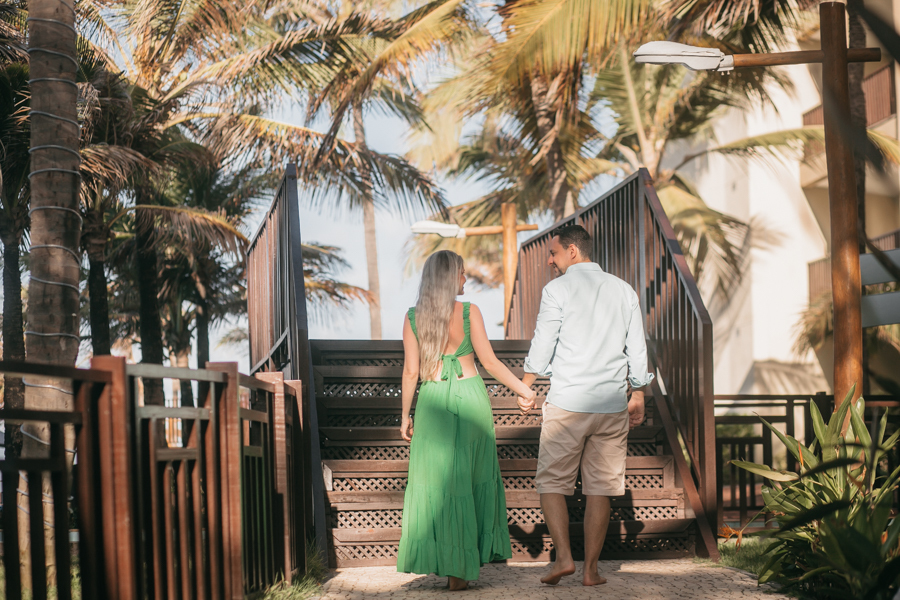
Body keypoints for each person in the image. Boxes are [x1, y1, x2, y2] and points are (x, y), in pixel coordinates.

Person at [517, 224, 654, 587]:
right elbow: (636, 348)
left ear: (572, 252)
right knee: (601, 488)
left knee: (551, 483)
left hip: (568, 403)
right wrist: (638, 392)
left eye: (554, 253)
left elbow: (544, 340)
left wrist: (526, 386)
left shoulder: (557, 289)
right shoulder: (624, 290)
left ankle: (564, 558)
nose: (549, 261)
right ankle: (591, 571)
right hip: (611, 404)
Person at [396, 250, 537, 591]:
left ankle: (450, 566)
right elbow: (489, 362)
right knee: (470, 480)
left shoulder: (413, 316)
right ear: (449, 277)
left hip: (431, 402)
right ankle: (461, 570)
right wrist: (525, 390)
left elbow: (412, 370)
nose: (464, 279)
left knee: (440, 484)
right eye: (460, 273)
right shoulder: (470, 312)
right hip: (470, 397)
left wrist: (404, 415)